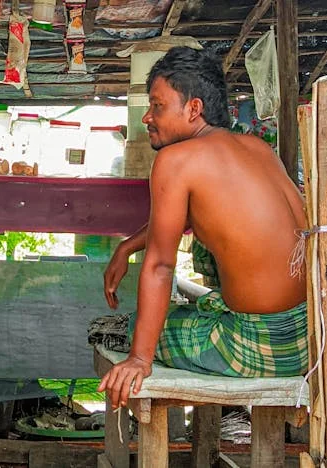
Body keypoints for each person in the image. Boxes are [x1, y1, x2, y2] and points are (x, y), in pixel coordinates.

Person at [98, 47, 308, 409]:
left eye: (158, 106)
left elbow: (160, 266)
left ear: (193, 109)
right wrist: (127, 246)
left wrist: (140, 359)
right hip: (307, 336)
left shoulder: (175, 160)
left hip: (254, 344)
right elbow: (199, 215)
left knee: (119, 328)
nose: (147, 117)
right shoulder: (257, 148)